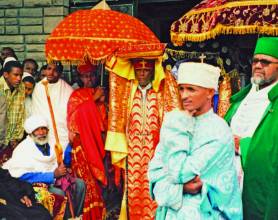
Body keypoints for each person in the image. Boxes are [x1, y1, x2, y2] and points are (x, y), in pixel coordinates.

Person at [148, 61, 242, 219]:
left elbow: (181, 173)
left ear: (210, 92)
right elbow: (155, 173)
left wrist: (176, 129)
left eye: (191, 89)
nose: (184, 95)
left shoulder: (219, 131)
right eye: (181, 89)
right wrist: (181, 189)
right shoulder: (175, 122)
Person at [105, 58, 181, 219]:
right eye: (139, 70)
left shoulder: (160, 93)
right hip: (133, 153)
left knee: (153, 187)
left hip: (155, 151)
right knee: (134, 189)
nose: (142, 73)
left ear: (152, 71)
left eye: (146, 70)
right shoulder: (129, 94)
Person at [225, 37, 278, 219]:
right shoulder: (240, 98)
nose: (258, 65)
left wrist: (243, 145)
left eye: (266, 62)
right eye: (255, 60)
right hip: (229, 181)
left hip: (257, 186)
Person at [3, 114, 86, 219]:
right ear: (31, 132)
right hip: (32, 186)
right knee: (58, 194)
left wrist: (70, 144)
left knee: (80, 184)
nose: (41, 133)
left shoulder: (51, 143)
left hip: (55, 180)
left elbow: (63, 161)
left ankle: (75, 216)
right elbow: (22, 176)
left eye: (44, 129)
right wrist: (52, 175)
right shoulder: (22, 149)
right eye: (37, 130)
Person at [67, 89, 108, 220]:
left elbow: (104, 120)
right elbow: (74, 118)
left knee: (98, 183)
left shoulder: (101, 93)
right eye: (85, 76)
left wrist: (101, 102)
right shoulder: (76, 96)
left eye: (91, 75)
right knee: (88, 183)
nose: (88, 79)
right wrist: (92, 100)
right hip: (82, 145)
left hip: (96, 142)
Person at [31, 62, 73, 150]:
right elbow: (36, 113)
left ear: (61, 73)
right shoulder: (39, 87)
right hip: (43, 133)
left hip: (63, 134)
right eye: (49, 69)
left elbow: (70, 115)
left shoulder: (68, 90)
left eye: (55, 70)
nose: (50, 73)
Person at [0, 60, 25, 149]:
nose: (19, 78)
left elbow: (20, 113)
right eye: (16, 75)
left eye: (21, 75)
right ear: (6, 74)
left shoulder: (21, 86)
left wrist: (16, 137)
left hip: (12, 141)